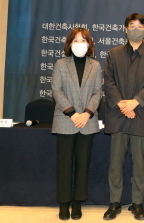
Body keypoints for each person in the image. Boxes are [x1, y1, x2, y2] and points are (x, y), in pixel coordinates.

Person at [103, 13, 144, 221]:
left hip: (141, 114)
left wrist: (135, 102)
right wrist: (122, 104)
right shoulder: (113, 54)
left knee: (140, 163)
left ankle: (137, 203)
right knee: (115, 163)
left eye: (139, 26)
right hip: (117, 114)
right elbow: (108, 82)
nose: (135, 29)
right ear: (125, 29)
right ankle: (114, 203)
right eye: (131, 25)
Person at [51, 27, 102, 221]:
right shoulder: (61, 64)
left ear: (89, 44)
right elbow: (57, 91)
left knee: (83, 163)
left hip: (87, 121)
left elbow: (98, 92)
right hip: (66, 119)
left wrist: (87, 113)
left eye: (83, 40)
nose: (79, 44)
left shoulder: (95, 66)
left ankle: (78, 202)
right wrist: (72, 113)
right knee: (64, 164)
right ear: (69, 43)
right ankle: (64, 204)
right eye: (76, 40)